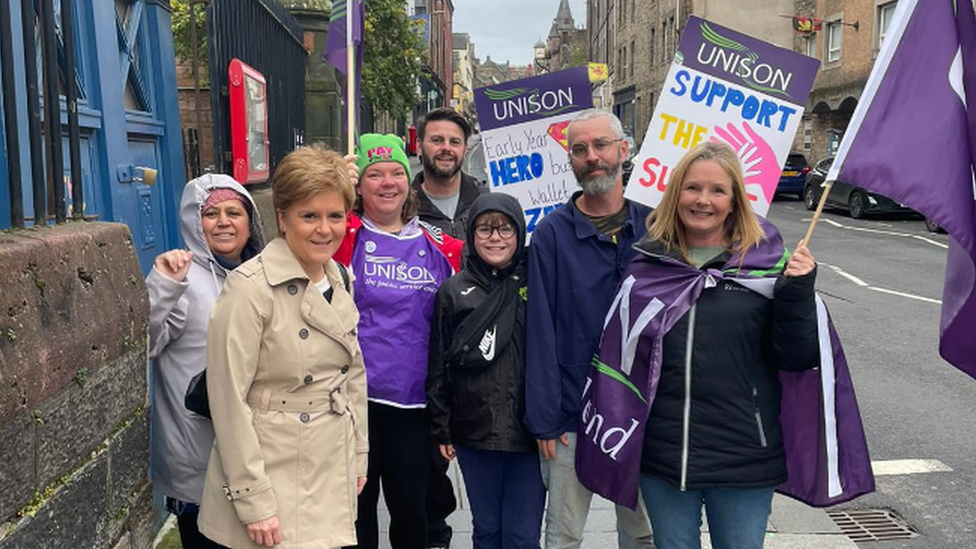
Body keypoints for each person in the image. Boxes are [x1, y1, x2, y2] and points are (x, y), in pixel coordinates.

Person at [633, 141, 818, 549]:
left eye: (717, 190)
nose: (703, 200)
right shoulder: (647, 264)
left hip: (744, 454)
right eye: (692, 188)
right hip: (665, 455)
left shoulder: (769, 266)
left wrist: (798, 292)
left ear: (735, 200)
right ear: (675, 193)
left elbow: (796, 357)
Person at [197, 146, 368, 549]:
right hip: (272, 472)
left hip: (330, 462)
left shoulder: (339, 277)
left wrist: (359, 452)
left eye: (335, 216)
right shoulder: (250, 288)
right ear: (283, 218)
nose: (324, 229)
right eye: (309, 216)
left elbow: (354, 375)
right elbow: (227, 400)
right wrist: (253, 499)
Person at [525, 109, 655, 549]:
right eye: (579, 149)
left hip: (641, 412)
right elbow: (540, 330)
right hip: (571, 413)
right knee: (563, 534)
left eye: (600, 145)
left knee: (643, 534)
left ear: (623, 150)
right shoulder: (550, 235)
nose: (591, 157)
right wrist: (544, 420)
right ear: (571, 161)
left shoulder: (656, 227)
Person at [335, 134, 463, 549]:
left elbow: (495, 258)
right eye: (374, 174)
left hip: (413, 403)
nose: (387, 183)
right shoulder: (343, 236)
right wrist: (334, 179)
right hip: (353, 401)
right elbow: (302, 218)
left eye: (395, 173)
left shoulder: (438, 246)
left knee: (410, 507)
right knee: (357, 508)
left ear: (409, 181)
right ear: (359, 186)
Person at [147, 174, 265, 549]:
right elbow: (143, 345)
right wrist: (164, 286)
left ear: (251, 220)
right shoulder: (180, 278)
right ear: (193, 222)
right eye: (211, 213)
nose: (224, 221)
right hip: (198, 453)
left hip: (258, 447)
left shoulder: (265, 274)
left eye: (234, 212)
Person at [427, 193, 545, 549]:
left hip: (529, 431)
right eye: (485, 228)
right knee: (487, 529)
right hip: (474, 430)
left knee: (523, 535)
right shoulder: (453, 291)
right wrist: (442, 426)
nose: (495, 237)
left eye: (505, 228)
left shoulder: (538, 285)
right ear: (471, 233)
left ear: (520, 232)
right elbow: (438, 364)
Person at [413, 107, 486, 242]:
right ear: (419, 146)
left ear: (465, 149)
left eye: (454, 142)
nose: (446, 148)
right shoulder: (403, 209)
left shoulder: (486, 201)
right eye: (437, 140)